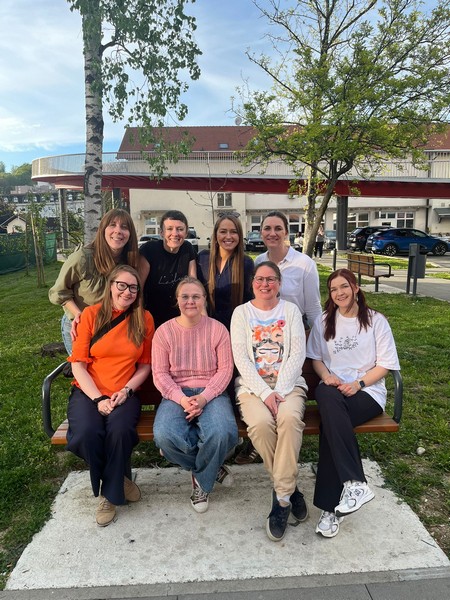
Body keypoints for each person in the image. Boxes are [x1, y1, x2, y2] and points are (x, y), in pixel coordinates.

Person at [306, 268, 400, 538]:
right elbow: (316, 359)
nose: (339, 293)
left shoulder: (376, 321)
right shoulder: (324, 321)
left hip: (367, 393)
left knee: (330, 425)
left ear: (356, 288)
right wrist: (328, 377)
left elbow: (385, 365)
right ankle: (353, 484)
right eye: (334, 289)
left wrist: (358, 384)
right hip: (334, 390)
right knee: (326, 395)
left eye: (344, 286)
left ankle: (331, 507)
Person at [66, 265, 155, 527]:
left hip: (124, 393)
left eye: (133, 288)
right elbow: (78, 365)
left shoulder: (144, 318)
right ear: (111, 286)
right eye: (122, 285)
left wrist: (126, 391)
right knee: (85, 434)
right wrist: (98, 399)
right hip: (89, 391)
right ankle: (117, 480)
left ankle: (109, 496)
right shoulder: (90, 315)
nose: (127, 292)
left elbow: (145, 365)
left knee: (120, 431)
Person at [230, 261, 308, 542]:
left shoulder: (290, 311)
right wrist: (265, 394)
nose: (265, 284)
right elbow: (241, 358)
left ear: (279, 283)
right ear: (252, 283)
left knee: (289, 418)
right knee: (261, 425)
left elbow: (297, 355)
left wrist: (280, 391)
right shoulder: (241, 313)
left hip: (289, 386)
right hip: (252, 389)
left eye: (271, 279)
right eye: (260, 279)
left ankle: (282, 500)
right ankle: (290, 488)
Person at [237, 210, 321, 465]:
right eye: (267, 228)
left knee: (287, 413)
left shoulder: (304, 264)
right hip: (261, 338)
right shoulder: (259, 261)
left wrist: (318, 340)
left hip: (295, 334)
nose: (272, 233)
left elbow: (313, 308)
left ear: (286, 232)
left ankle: (270, 458)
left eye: (278, 228)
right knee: (264, 416)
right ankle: (280, 471)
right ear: (261, 232)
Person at [152, 276, 239, 513]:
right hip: (176, 393)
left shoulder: (218, 329)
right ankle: (211, 466)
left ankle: (201, 480)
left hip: (212, 392)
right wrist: (182, 399)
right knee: (164, 436)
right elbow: (160, 374)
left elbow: (225, 370)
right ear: (177, 300)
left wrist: (204, 397)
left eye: (196, 296)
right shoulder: (164, 332)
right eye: (185, 296)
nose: (190, 301)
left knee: (222, 432)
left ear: (204, 299)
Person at [49, 208, 139, 354]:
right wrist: (79, 316)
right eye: (112, 225)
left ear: (130, 234)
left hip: (112, 326)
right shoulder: (83, 258)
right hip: (80, 325)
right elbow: (59, 292)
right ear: (103, 229)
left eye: (124, 227)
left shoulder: (130, 261)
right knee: (83, 366)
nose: (118, 231)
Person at [138, 210, 197, 328]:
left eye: (180, 229)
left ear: (186, 233)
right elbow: (138, 289)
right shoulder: (149, 250)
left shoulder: (187, 249)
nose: (175, 233)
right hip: (151, 318)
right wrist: (139, 320)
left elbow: (194, 285)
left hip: (179, 319)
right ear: (161, 233)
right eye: (169, 229)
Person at [197, 212, 254, 330]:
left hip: (234, 330)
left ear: (239, 235)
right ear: (215, 234)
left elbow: (248, 301)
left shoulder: (246, 263)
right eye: (223, 231)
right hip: (205, 328)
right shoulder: (202, 258)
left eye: (233, 232)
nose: (228, 236)